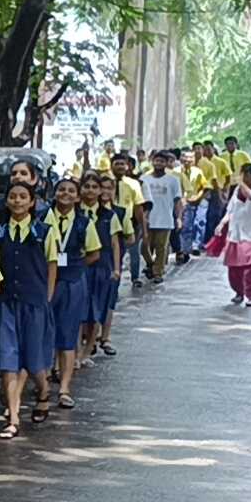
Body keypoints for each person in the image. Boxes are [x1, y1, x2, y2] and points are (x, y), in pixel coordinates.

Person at [0, 180, 57, 439]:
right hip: (7, 302)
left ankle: (43, 391)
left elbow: (52, 265)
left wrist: (47, 298)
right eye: (13, 196)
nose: (17, 201)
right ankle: (14, 418)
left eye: (22, 197)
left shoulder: (44, 231)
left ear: (32, 202)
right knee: (8, 360)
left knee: (34, 360)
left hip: (34, 303)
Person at [44, 179, 102, 411]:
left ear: (77, 197)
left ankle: (65, 388)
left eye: (71, 191)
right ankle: (43, 382)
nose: (65, 194)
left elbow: (94, 253)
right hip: (45, 282)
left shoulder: (83, 223)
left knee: (68, 334)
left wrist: (75, 266)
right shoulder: (42, 218)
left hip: (71, 282)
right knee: (44, 332)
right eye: (61, 190)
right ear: (55, 193)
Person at [83, 172, 129, 358]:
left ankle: (91, 347)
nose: (92, 190)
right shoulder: (75, 213)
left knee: (99, 308)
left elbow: (117, 243)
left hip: (103, 265)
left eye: (96, 187)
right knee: (80, 309)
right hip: (81, 266)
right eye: (87, 186)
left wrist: (116, 268)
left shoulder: (111, 215)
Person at [218, 163, 251, 307]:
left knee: (250, 266)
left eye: (243, 176)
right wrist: (222, 224)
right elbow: (231, 208)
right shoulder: (238, 189)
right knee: (234, 267)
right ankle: (238, 292)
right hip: (236, 233)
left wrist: (241, 183)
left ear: (250, 175)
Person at [138, 150, 184, 283]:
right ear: (152, 162)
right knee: (144, 247)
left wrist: (179, 218)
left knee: (161, 248)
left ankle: (158, 272)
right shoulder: (144, 179)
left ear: (166, 163)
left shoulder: (173, 180)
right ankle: (151, 265)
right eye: (157, 161)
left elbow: (178, 200)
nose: (159, 163)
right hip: (147, 219)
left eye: (162, 161)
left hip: (165, 219)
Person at [108, 154, 146, 289]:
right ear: (111, 166)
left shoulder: (133, 184)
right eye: (116, 164)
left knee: (134, 252)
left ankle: (135, 277)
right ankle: (113, 284)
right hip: (110, 223)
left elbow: (138, 206)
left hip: (130, 223)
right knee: (114, 255)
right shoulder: (106, 183)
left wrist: (143, 226)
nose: (120, 167)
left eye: (122, 164)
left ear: (127, 166)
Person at [177, 150, 209, 263]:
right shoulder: (175, 172)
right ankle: (178, 249)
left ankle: (184, 251)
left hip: (190, 203)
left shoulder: (198, 172)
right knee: (177, 227)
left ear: (194, 159)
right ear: (181, 158)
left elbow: (205, 187)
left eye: (191, 158)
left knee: (187, 227)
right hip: (177, 203)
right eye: (186, 157)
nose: (188, 160)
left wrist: (197, 198)